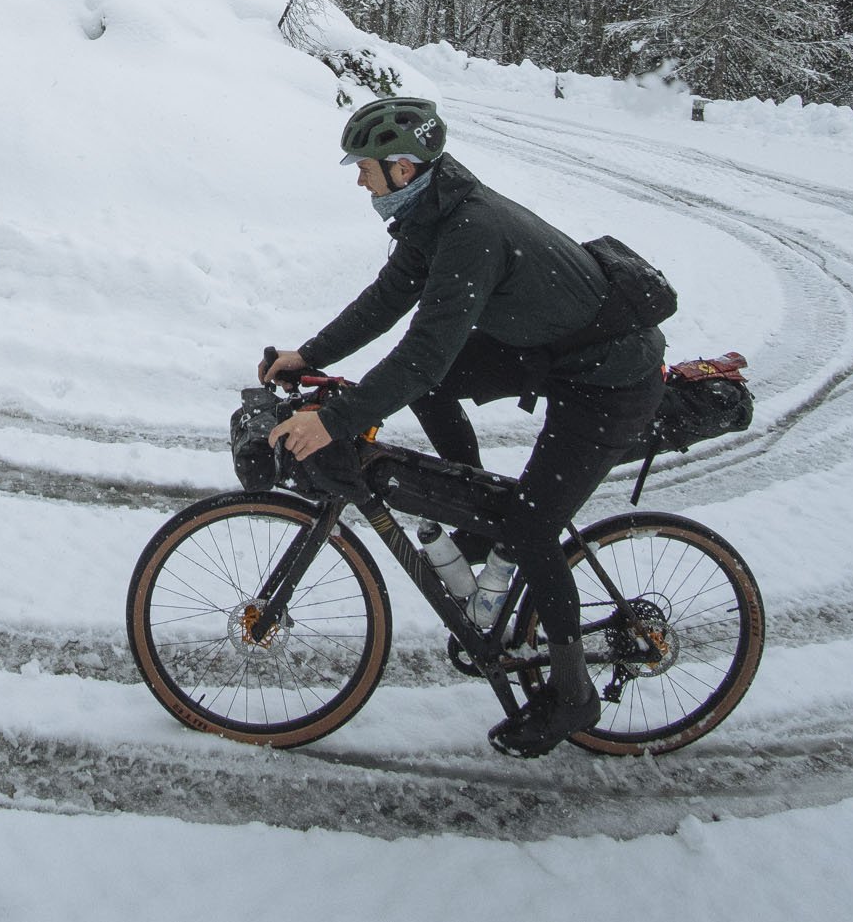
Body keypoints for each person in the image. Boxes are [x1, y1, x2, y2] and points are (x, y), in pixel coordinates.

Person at [262, 95, 665, 759]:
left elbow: (421, 356)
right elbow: (388, 299)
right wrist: (310, 356)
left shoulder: (470, 229)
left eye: (363, 167)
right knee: (441, 385)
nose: (358, 179)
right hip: (555, 352)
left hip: (611, 379)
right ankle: (479, 526)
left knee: (531, 525)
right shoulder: (434, 210)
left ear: (402, 167)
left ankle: (572, 694)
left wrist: (334, 421)